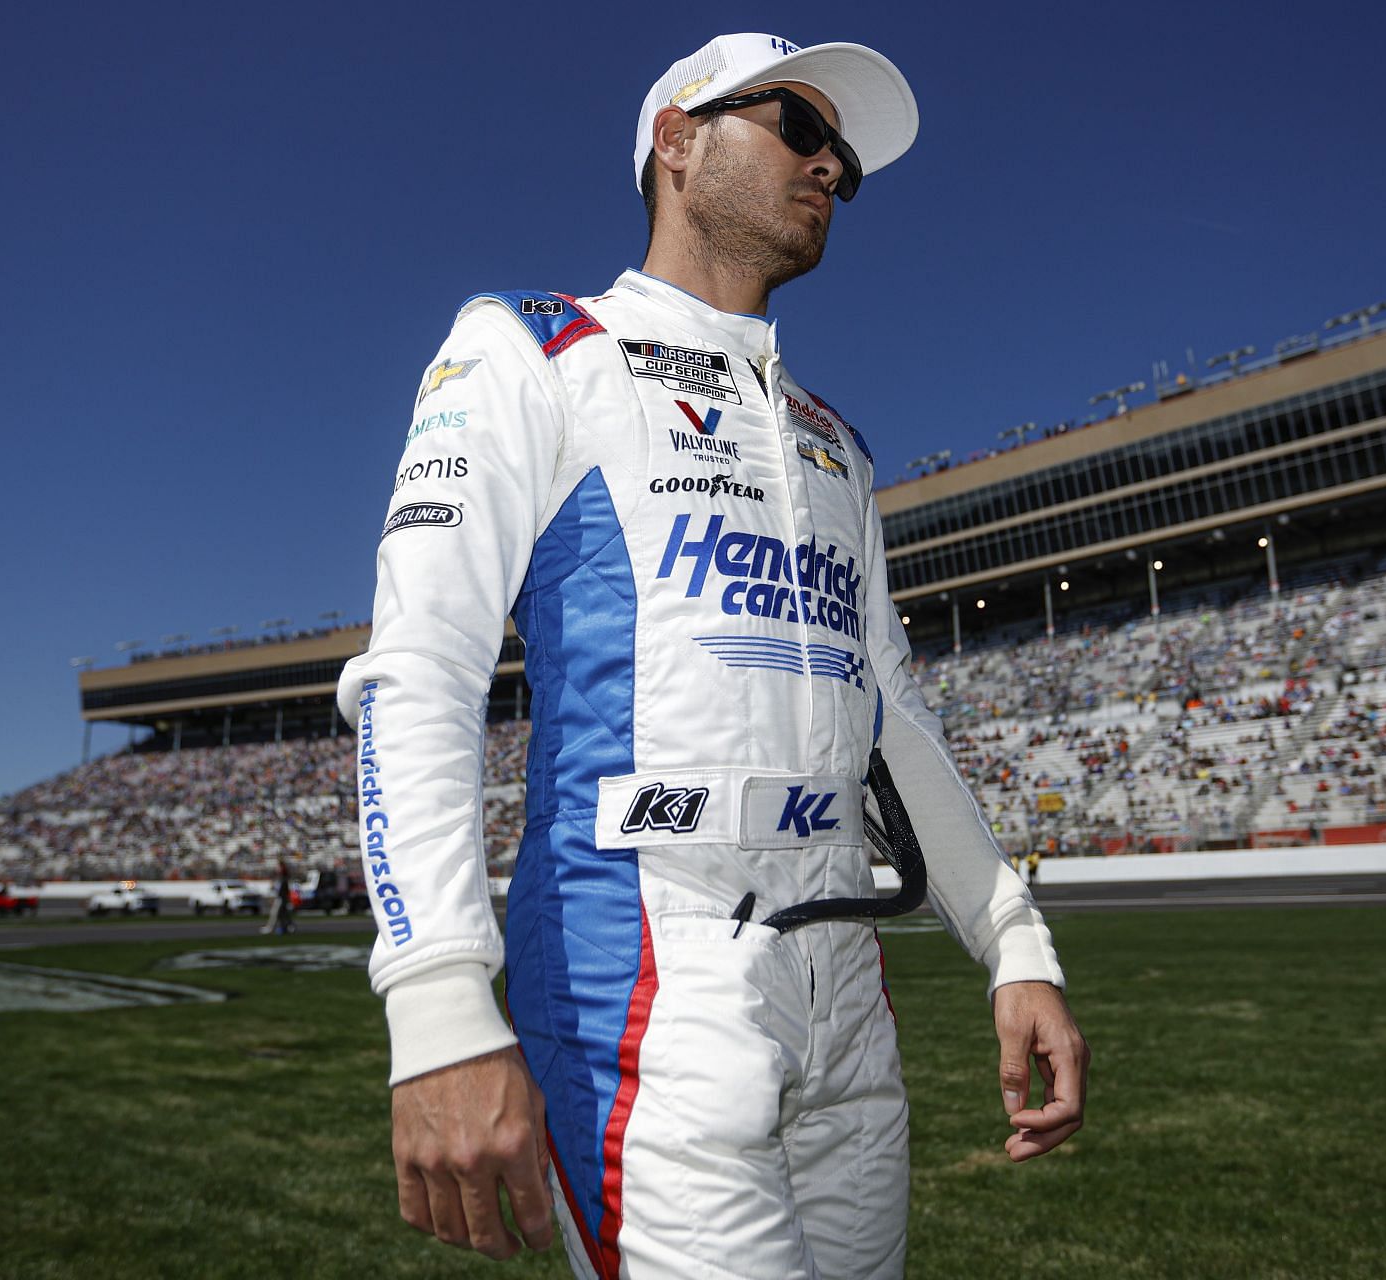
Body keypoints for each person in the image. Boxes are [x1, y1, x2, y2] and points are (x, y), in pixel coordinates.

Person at [336, 32, 1087, 1279]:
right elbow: (420, 666)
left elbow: (891, 708)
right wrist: (438, 1004)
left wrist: (1015, 942)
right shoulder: (531, 349)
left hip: (847, 968)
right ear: (677, 143)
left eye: (841, 153)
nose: (830, 166)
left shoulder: (836, 443)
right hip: (646, 954)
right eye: (800, 127)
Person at [259, 859, 295, 935]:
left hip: (282, 898)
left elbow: (284, 890)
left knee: (275, 913)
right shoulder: (280, 877)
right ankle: (290, 927)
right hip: (281, 897)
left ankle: (270, 928)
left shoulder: (283, 877)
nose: (277, 868)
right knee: (284, 914)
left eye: (278, 866)